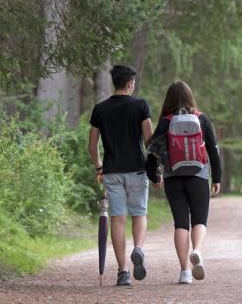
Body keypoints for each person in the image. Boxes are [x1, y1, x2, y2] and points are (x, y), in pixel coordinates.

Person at [149, 81, 221, 284]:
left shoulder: (165, 121)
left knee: (181, 224)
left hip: (173, 178)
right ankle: (197, 250)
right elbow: (213, 151)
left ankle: (184, 272)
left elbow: (152, 153)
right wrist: (217, 178)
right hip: (198, 176)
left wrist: (154, 177)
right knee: (200, 221)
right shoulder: (201, 119)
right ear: (190, 97)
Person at [88, 64, 153, 286]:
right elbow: (149, 141)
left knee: (118, 218)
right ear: (129, 84)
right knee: (139, 214)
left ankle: (123, 272)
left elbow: (92, 144)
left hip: (112, 171)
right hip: (136, 169)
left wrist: (98, 167)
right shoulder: (141, 106)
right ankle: (138, 249)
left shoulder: (100, 109)